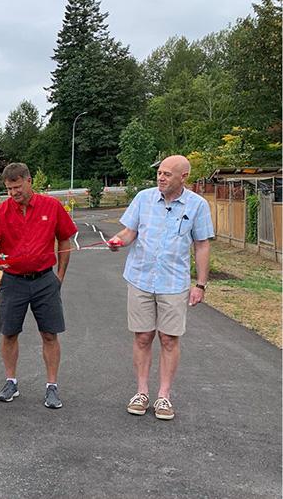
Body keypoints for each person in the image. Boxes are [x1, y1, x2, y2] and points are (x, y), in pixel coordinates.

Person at [107, 155, 213, 420]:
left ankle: (163, 396)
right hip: (140, 278)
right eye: (159, 173)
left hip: (174, 283)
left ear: (183, 177)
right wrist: (117, 240)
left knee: (168, 338)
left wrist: (200, 284)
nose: (161, 177)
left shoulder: (197, 205)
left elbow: (201, 244)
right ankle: (141, 392)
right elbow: (129, 232)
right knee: (143, 337)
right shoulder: (143, 198)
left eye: (167, 174)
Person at [0, 162, 77, 409]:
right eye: (9, 188)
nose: (13, 193)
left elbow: (65, 238)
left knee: (49, 333)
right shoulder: (1, 211)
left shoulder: (52, 206)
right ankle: (11, 381)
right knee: (9, 332)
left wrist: (60, 276)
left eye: (17, 187)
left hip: (45, 280)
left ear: (28, 180)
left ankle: (52, 386)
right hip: (13, 281)